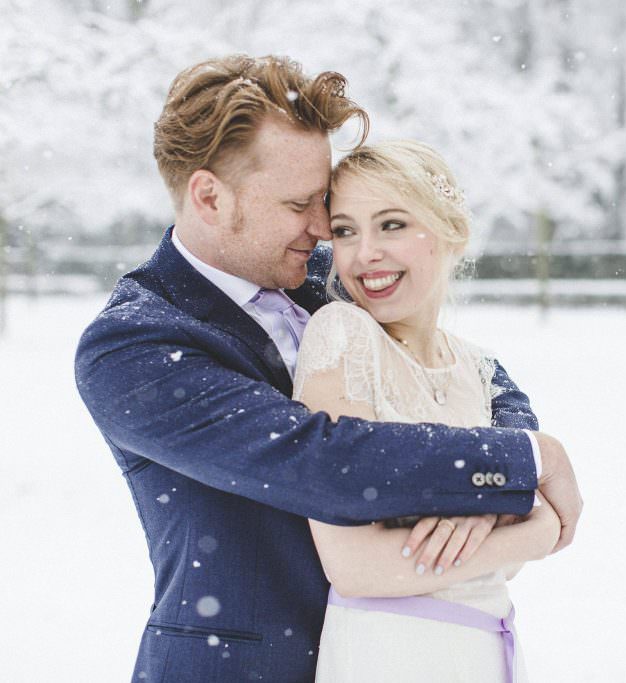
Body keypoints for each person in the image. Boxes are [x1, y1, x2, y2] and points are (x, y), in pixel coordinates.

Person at [74, 54, 582, 682]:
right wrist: (522, 463)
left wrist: (482, 482)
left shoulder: (325, 274)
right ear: (209, 195)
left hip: (398, 654)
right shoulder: (134, 345)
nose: (322, 230)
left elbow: (468, 371)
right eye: (300, 204)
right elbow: (324, 461)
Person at [292, 140, 560, 682]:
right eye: (344, 230)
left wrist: (500, 526)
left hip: (486, 655)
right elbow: (357, 566)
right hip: (389, 654)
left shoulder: (478, 369)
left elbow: (505, 563)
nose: (364, 252)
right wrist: (536, 530)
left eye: (391, 224)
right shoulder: (342, 335)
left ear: (451, 233)